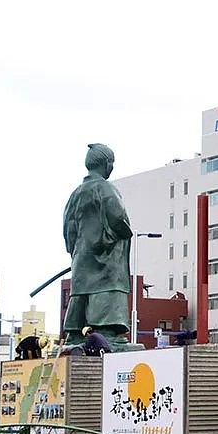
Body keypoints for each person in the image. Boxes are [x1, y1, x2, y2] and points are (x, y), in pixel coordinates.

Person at [63, 143, 133, 346]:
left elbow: (68, 228)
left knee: (82, 291)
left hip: (81, 254)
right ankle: (105, 330)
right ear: (106, 164)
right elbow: (117, 217)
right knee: (106, 288)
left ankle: (75, 332)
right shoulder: (105, 188)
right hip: (105, 254)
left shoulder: (75, 194)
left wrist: (74, 250)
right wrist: (122, 232)